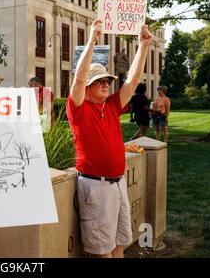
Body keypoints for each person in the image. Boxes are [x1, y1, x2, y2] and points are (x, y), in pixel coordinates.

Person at [66, 19, 153, 258]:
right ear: (89, 87)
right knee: (102, 251)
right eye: (99, 82)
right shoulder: (79, 109)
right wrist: (92, 41)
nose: (105, 84)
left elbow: (133, 81)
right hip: (96, 186)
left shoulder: (112, 106)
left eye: (107, 81)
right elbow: (78, 80)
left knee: (118, 245)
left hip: (117, 184)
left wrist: (143, 46)